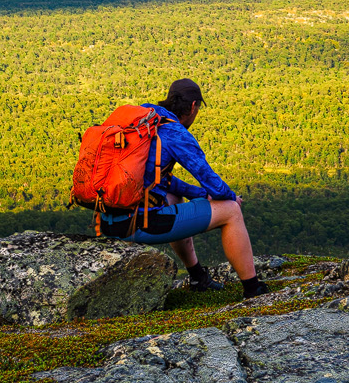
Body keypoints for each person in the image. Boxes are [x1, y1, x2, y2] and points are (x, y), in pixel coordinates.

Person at [97, 78, 269, 298]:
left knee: (173, 195)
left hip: (110, 221)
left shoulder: (146, 120)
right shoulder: (176, 134)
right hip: (137, 225)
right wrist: (231, 197)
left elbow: (158, 179)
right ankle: (253, 289)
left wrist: (199, 194)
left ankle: (198, 278)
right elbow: (211, 181)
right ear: (192, 106)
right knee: (231, 211)